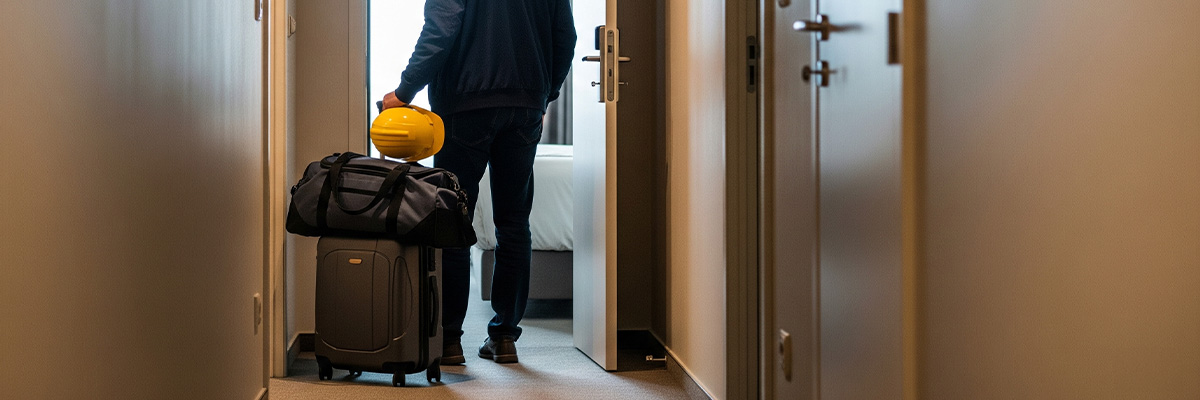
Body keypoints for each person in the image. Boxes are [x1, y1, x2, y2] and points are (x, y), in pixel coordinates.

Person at [381, 0, 576, 365]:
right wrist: (544, 93)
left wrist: (404, 91)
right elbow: (565, 37)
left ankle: (450, 340)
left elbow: (441, 30)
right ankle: (504, 338)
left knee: (454, 218)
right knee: (514, 222)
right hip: (525, 105)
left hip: (463, 105)